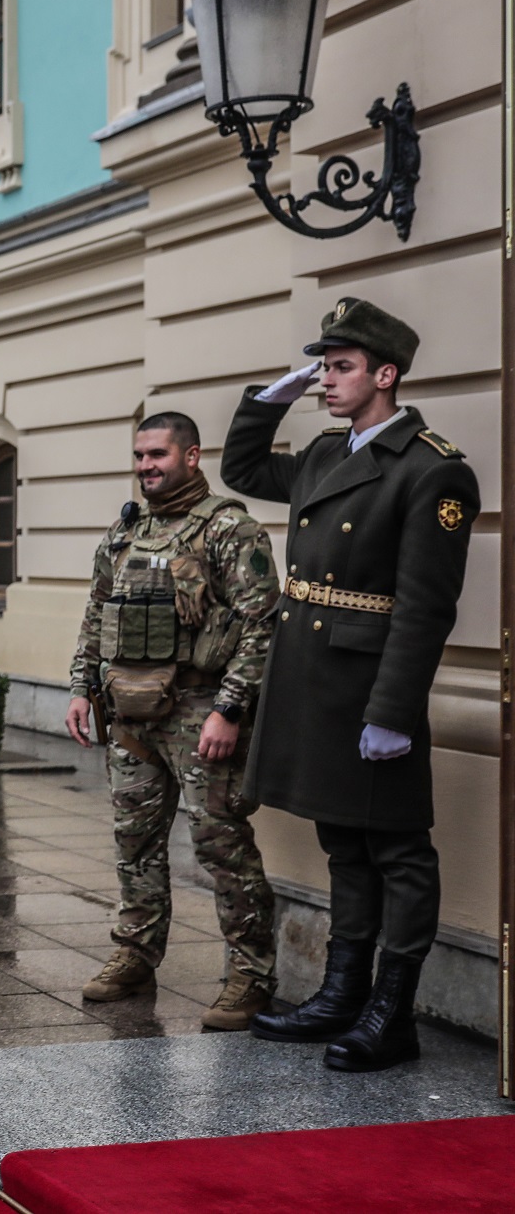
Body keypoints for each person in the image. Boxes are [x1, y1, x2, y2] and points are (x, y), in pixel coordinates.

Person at [222, 298, 477, 1073]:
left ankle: (390, 1012)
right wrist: (272, 400)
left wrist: (394, 710)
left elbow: (429, 605)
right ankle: (340, 993)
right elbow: (241, 468)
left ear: (385, 374)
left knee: (398, 849)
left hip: (371, 688)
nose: (324, 380)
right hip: (313, 679)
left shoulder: (435, 469)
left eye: (339, 367)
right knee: (344, 841)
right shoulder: (329, 453)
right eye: (321, 366)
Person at [66, 414, 282, 1030]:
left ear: (191, 455)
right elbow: (96, 613)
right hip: (131, 714)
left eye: (157, 454)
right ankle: (135, 952)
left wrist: (230, 710)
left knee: (220, 843)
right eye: (138, 455)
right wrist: (82, 688)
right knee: (134, 841)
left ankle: (251, 974)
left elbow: (261, 624)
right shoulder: (125, 531)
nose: (145, 466)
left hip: (200, 712)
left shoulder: (228, 528)